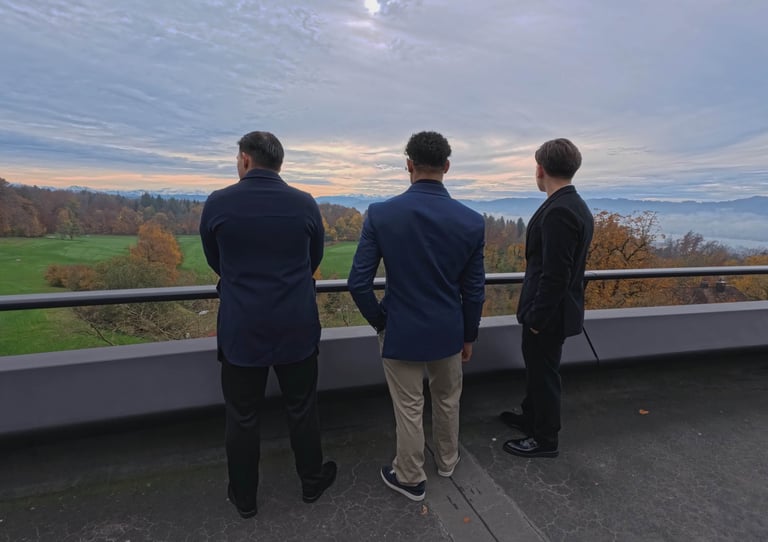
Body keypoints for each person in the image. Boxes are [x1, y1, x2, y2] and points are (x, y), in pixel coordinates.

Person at [199, 131, 336, 518]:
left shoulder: (219, 203)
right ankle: (311, 481)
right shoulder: (304, 204)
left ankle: (244, 498)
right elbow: (313, 260)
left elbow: (216, 260)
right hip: (296, 325)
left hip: (242, 327)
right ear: (279, 163)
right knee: (302, 408)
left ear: (244, 159)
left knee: (241, 416)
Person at [348, 131, 485, 501]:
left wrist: (381, 321)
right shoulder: (471, 221)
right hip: (448, 330)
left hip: (400, 329)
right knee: (447, 398)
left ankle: (410, 477)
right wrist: (468, 335)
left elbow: (358, 282)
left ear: (408, 165)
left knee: (408, 407)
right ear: (447, 167)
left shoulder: (381, 214)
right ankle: (447, 459)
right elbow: (473, 290)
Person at [500, 138, 594, 458]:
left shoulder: (560, 212)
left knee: (544, 374)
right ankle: (532, 418)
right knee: (538, 369)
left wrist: (537, 319)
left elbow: (556, 274)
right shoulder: (573, 204)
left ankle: (545, 439)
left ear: (540, 169)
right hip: (553, 311)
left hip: (548, 315)